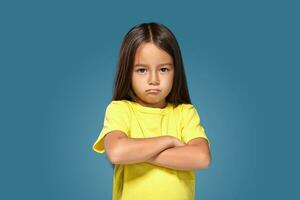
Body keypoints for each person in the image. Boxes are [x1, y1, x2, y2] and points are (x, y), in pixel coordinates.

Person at [92, 22, 211, 200]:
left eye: (163, 69)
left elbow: (201, 158)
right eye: (141, 70)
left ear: (175, 71)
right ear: (127, 72)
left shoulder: (185, 113)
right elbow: (117, 152)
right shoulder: (120, 110)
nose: (153, 79)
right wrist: (168, 140)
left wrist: (137, 153)